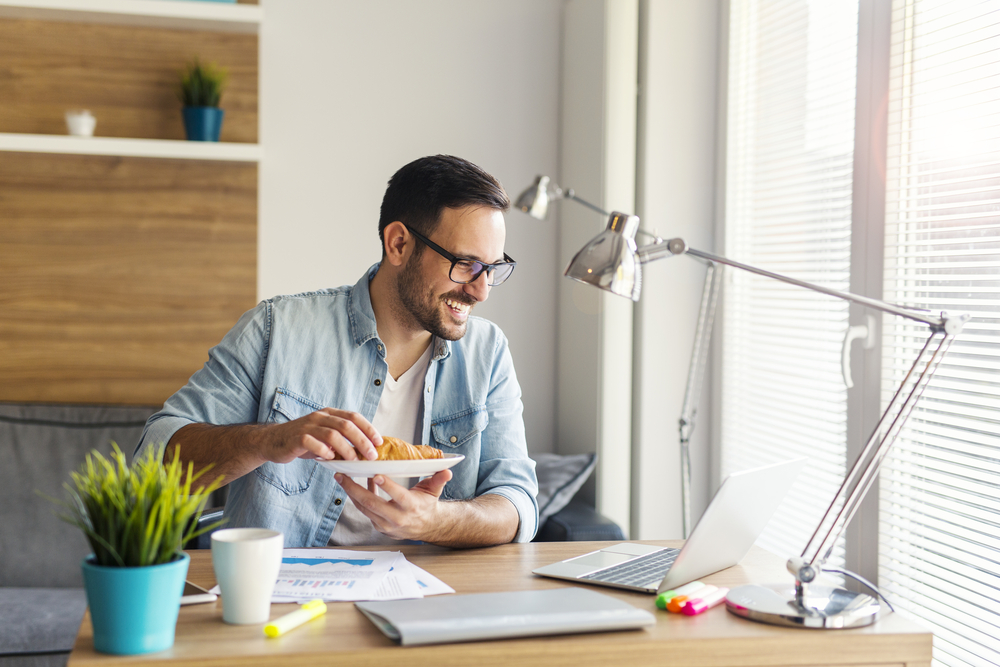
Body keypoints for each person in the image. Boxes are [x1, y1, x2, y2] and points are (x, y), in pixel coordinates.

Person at [136, 155, 538, 548]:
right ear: (398, 243)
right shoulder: (277, 330)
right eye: (466, 264)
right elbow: (151, 465)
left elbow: (518, 503)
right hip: (292, 596)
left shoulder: (488, 352)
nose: (481, 290)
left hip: (433, 600)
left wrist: (436, 522)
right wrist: (267, 441)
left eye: (493, 268)